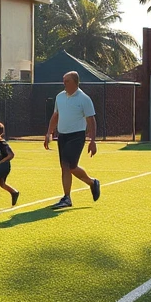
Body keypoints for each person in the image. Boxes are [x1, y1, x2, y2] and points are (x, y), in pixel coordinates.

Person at [44, 71, 100, 209]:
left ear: (75, 82)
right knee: (69, 167)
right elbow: (55, 115)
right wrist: (48, 133)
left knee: (67, 165)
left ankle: (67, 198)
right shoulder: (59, 97)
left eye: (67, 81)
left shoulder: (84, 99)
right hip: (62, 136)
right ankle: (91, 183)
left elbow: (91, 120)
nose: (64, 83)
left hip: (77, 136)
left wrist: (93, 141)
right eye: (64, 80)